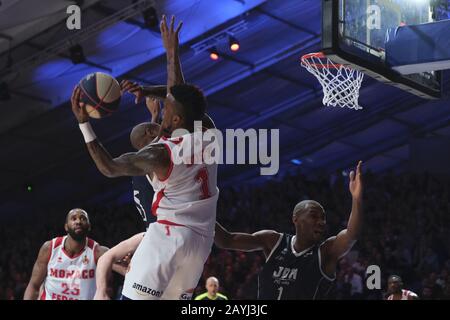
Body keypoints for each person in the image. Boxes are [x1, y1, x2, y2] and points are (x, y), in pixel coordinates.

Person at [71, 15, 219, 300]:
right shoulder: (208, 132)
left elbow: (109, 168)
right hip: (200, 243)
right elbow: (181, 98)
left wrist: (83, 124)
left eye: (165, 110)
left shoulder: (159, 153)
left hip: (168, 237)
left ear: (174, 118)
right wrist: (171, 54)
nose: (161, 112)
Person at [214, 161, 364, 300]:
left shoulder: (325, 252)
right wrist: (197, 212)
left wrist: (356, 199)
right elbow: (226, 240)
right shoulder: (273, 241)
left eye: (323, 218)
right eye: (314, 216)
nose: (321, 222)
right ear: (296, 219)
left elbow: (352, 234)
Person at [23, 208, 114, 300]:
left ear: (89, 226)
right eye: (74, 219)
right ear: (66, 227)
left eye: (83, 218)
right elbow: (34, 285)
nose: (78, 221)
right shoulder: (49, 248)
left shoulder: (99, 252)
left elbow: (122, 270)